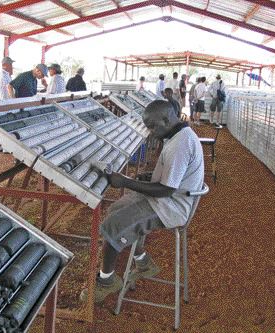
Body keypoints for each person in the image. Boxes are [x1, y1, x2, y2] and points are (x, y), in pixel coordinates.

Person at [83, 100, 204, 303]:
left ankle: (107, 280)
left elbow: (166, 190)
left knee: (112, 225)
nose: (150, 132)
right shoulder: (177, 135)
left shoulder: (180, 144)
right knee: (117, 208)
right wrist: (150, 175)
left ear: (167, 119)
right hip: (169, 199)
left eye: (152, 126)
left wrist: (125, 182)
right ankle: (143, 261)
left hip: (170, 206)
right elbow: (172, 178)